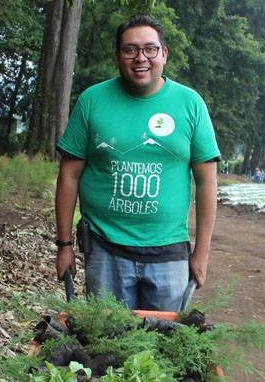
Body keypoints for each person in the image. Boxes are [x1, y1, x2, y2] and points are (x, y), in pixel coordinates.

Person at [54, 15, 221, 311]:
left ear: (164, 54)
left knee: (162, 347)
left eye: (150, 49)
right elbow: (69, 175)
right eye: (130, 50)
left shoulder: (190, 104)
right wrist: (64, 245)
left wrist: (202, 252)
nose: (140, 57)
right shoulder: (92, 101)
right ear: (118, 56)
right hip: (105, 250)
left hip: (169, 253)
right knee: (106, 346)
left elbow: (207, 181)